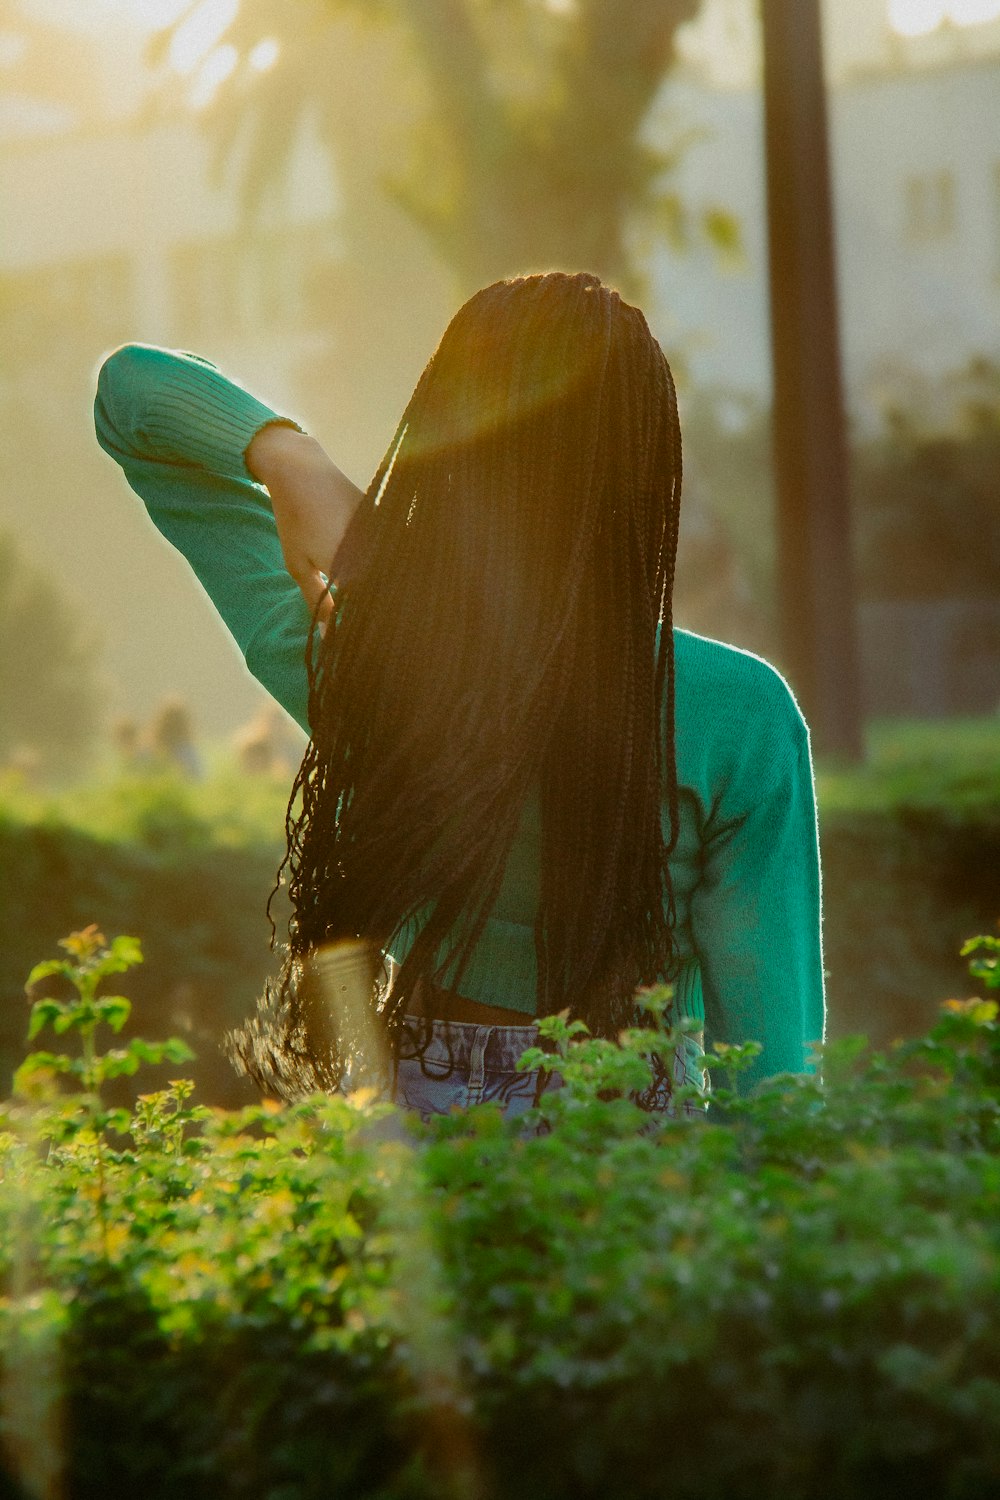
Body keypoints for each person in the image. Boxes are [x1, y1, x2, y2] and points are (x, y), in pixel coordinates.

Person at [94, 271, 825, 1121]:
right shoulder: (739, 714)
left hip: (416, 1153)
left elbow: (129, 397)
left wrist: (288, 456)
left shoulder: (365, 657)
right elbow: (773, 1084)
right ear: (645, 474)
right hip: (631, 1181)